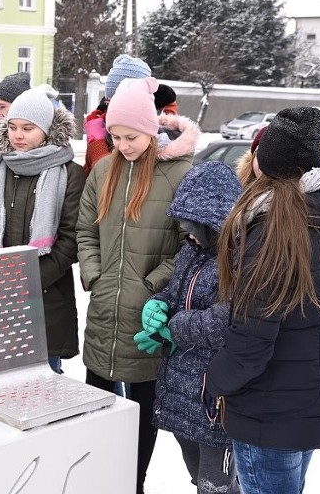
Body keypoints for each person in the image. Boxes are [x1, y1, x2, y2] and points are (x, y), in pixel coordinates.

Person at [205, 107, 320, 494]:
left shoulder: (274, 231)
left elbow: (252, 340)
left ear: (262, 164)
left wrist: (216, 379)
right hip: (312, 397)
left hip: (270, 411)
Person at [76, 76, 199, 494]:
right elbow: (86, 229)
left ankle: (134, 482)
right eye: (115, 136)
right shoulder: (104, 169)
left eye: (131, 136)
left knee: (144, 410)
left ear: (150, 129)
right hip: (104, 311)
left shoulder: (179, 173)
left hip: (148, 315)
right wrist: (94, 273)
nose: (123, 144)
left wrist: (153, 284)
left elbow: (191, 245)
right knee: (97, 406)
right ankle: (100, 479)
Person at [0, 90, 85, 374]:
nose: (18, 135)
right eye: (13, 127)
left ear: (46, 130)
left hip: (46, 299)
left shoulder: (69, 173)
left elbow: (70, 240)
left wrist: (27, 281)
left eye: (28, 128)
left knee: (45, 386)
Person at [138, 161, 242, 494]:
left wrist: (172, 325)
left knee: (217, 485)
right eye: (186, 224)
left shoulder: (237, 258)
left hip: (212, 398)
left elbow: (222, 321)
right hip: (181, 388)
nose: (190, 233)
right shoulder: (190, 251)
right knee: (199, 476)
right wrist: (159, 305)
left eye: (198, 226)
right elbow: (178, 291)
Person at [83, 54, 151, 176]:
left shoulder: (150, 131)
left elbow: (114, 181)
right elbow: (89, 182)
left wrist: (97, 147)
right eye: (109, 101)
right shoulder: (99, 128)